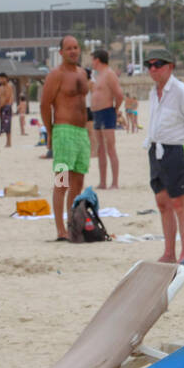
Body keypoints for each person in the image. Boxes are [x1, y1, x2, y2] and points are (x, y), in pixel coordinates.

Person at [143, 56, 184, 262]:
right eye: (149, 66)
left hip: (177, 148)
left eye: (157, 65)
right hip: (156, 148)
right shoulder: (154, 93)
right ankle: (168, 251)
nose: (153, 69)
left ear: (170, 66)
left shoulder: (182, 92)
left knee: (180, 202)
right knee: (162, 202)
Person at [40, 35, 91, 241]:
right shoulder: (56, 75)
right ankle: (60, 229)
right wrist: (50, 132)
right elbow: (45, 104)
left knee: (78, 182)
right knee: (62, 181)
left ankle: (73, 226)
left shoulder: (82, 73)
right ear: (60, 52)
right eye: (69, 48)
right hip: (63, 130)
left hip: (81, 133)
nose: (73, 51)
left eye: (76, 47)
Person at [89, 48, 125, 189]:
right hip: (97, 113)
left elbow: (119, 94)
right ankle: (102, 181)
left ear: (97, 60)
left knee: (110, 147)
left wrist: (115, 109)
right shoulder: (98, 75)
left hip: (107, 111)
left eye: (92, 59)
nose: (91, 62)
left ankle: (114, 182)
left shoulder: (109, 74)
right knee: (100, 149)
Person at [0, 74, 15, 148]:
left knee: (7, 125)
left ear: (5, 78)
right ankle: (7, 141)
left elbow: (7, 97)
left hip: (6, 106)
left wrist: (0, 107)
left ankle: (9, 142)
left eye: (1, 78)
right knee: (4, 124)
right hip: (4, 106)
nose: (0, 80)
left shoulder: (8, 86)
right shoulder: (1, 87)